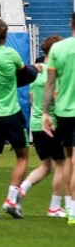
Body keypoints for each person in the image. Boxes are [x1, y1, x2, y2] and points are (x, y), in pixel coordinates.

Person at [0, 19, 36, 220]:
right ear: (5, 36)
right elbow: (24, 73)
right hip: (11, 113)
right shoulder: (11, 54)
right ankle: (11, 199)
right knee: (23, 156)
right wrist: (35, 69)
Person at [22, 35, 70, 217]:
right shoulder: (54, 74)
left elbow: (32, 98)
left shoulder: (36, 73)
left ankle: (19, 192)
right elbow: (56, 99)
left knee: (45, 166)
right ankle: (55, 206)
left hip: (36, 123)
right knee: (62, 164)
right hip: (53, 123)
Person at [43, 13, 75, 225]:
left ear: (71, 24)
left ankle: (71, 210)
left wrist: (46, 112)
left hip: (64, 112)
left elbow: (50, 84)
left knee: (69, 161)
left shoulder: (58, 49)